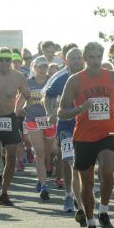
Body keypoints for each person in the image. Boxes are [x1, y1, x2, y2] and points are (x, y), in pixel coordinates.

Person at [58, 42, 114, 228]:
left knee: (107, 171)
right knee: (87, 183)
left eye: (99, 57)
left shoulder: (111, 76)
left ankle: (104, 211)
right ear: (85, 59)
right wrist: (80, 109)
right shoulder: (75, 80)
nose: (95, 61)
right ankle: (91, 223)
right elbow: (61, 111)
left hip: (107, 132)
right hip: (84, 136)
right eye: (92, 57)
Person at [0, 47, 32, 206]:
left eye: (7, 59)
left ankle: (4, 193)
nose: (4, 62)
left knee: (11, 157)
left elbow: (28, 96)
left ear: (12, 61)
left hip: (9, 118)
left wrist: (22, 109)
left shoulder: (18, 76)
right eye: (1, 59)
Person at [44, 48, 85, 214]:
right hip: (66, 125)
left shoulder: (89, 77)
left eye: (78, 58)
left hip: (86, 126)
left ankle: (80, 193)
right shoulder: (61, 79)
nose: (76, 61)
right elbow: (48, 95)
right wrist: (49, 113)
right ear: (66, 61)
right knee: (69, 160)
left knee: (82, 163)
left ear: (83, 60)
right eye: (72, 58)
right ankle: (69, 195)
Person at [17, 56, 56, 202]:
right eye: (40, 66)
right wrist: (16, 113)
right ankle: (44, 186)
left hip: (49, 121)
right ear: (34, 68)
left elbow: (59, 100)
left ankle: (42, 176)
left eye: (45, 66)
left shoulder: (52, 81)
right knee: (39, 153)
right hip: (33, 120)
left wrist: (55, 113)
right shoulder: (28, 83)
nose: (42, 69)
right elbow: (21, 99)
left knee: (47, 153)